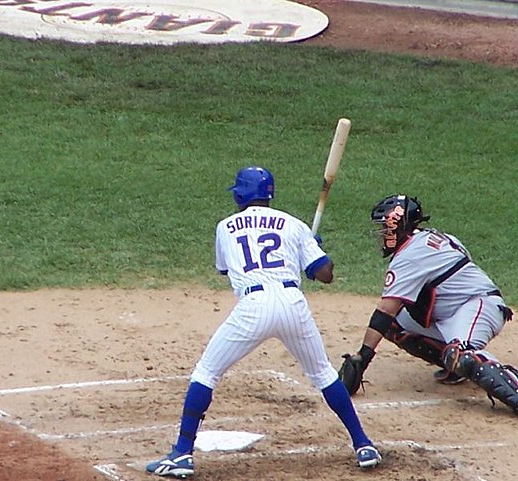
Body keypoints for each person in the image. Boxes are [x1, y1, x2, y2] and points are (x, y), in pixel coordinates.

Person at [145, 166, 382, 478]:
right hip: (292, 305)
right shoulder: (294, 225)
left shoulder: (225, 226)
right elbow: (326, 275)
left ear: (241, 194)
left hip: (253, 307)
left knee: (206, 372)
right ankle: (363, 444)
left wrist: (301, 251)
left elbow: (228, 269)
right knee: (323, 373)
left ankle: (182, 454)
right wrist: (312, 251)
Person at [338, 194, 517, 414]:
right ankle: (456, 367)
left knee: (463, 355)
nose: (383, 233)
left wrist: (362, 358)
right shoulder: (431, 237)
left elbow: (386, 310)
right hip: (448, 314)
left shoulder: (410, 255)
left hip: (478, 306)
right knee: (396, 325)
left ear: (399, 225)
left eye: (386, 227)